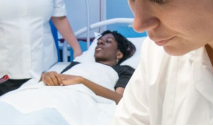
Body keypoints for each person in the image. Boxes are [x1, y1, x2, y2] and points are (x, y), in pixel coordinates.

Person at [0, 31, 136, 125]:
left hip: (74, 98)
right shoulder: (76, 64)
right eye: (99, 41)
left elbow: (119, 99)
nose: (100, 43)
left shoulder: (123, 70)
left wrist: (81, 80)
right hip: (47, 92)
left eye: (107, 42)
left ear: (119, 53)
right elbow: (60, 79)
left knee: (38, 119)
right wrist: (46, 76)